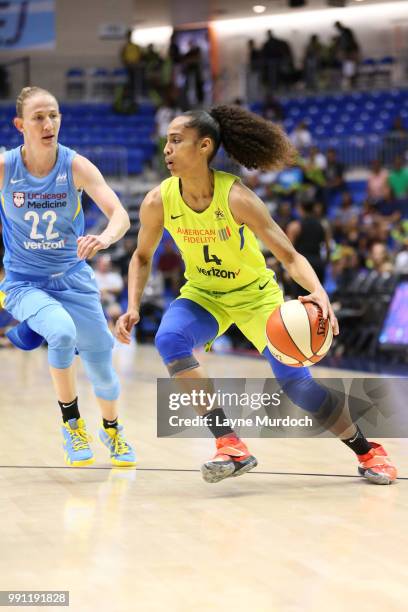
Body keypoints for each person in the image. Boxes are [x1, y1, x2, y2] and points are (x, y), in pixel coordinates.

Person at [116, 105, 397, 485]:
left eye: (176, 140)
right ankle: (230, 444)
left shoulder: (237, 198)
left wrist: (318, 293)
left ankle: (368, 451)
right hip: (203, 294)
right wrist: (132, 306)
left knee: (299, 388)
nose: (167, 149)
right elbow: (142, 256)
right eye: (166, 141)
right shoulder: (157, 201)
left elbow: (289, 256)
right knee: (169, 339)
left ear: (204, 146)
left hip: (256, 297)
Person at [0, 86, 136, 468]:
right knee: (61, 332)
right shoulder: (6, 167)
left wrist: (105, 237)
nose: (49, 124)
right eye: (39, 117)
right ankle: (72, 425)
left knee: (103, 372)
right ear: (20, 125)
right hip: (24, 282)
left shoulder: (75, 165)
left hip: (73, 278)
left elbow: (120, 215)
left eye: (54, 115)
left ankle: (112, 430)